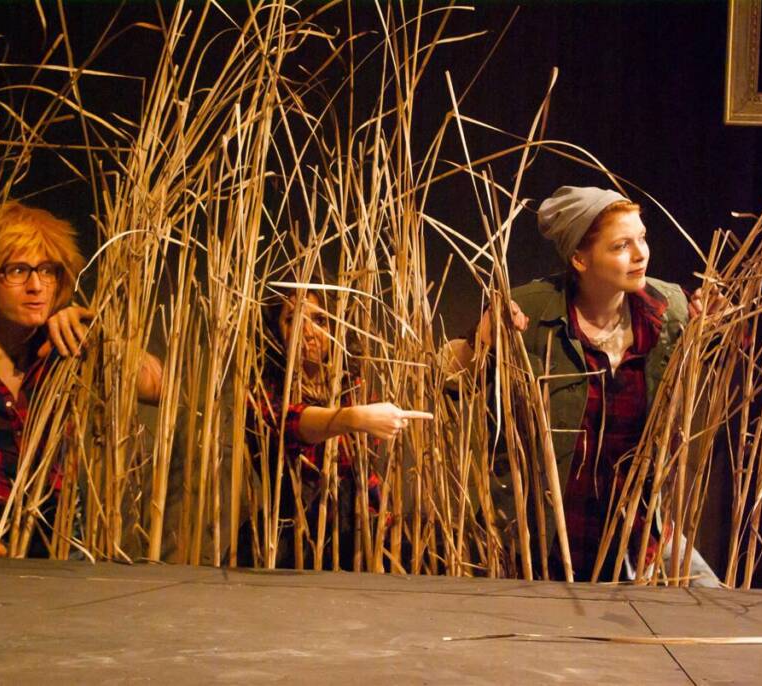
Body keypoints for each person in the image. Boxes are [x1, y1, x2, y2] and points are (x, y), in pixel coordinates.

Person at [447, 186, 719, 585]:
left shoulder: (670, 309)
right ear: (579, 258)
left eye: (641, 238)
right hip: (548, 537)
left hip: (638, 530)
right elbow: (449, 379)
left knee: (708, 601)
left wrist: (715, 332)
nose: (640, 254)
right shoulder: (532, 310)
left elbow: (698, 387)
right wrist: (481, 341)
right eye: (621, 245)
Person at [0, 201, 163, 557]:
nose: (37, 285)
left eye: (48, 270)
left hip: (65, 536)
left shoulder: (69, 348)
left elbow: (162, 388)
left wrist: (101, 337)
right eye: (18, 270)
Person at [238, 288, 432, 570]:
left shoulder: (352, 387)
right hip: (291, 542)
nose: (309, 332)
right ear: (274, 332)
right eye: (292, 320)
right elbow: (288, 423)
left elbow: (365, 474)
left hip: (357, 535)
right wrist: (352, 418)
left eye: (320, 321)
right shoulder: (263, 391)